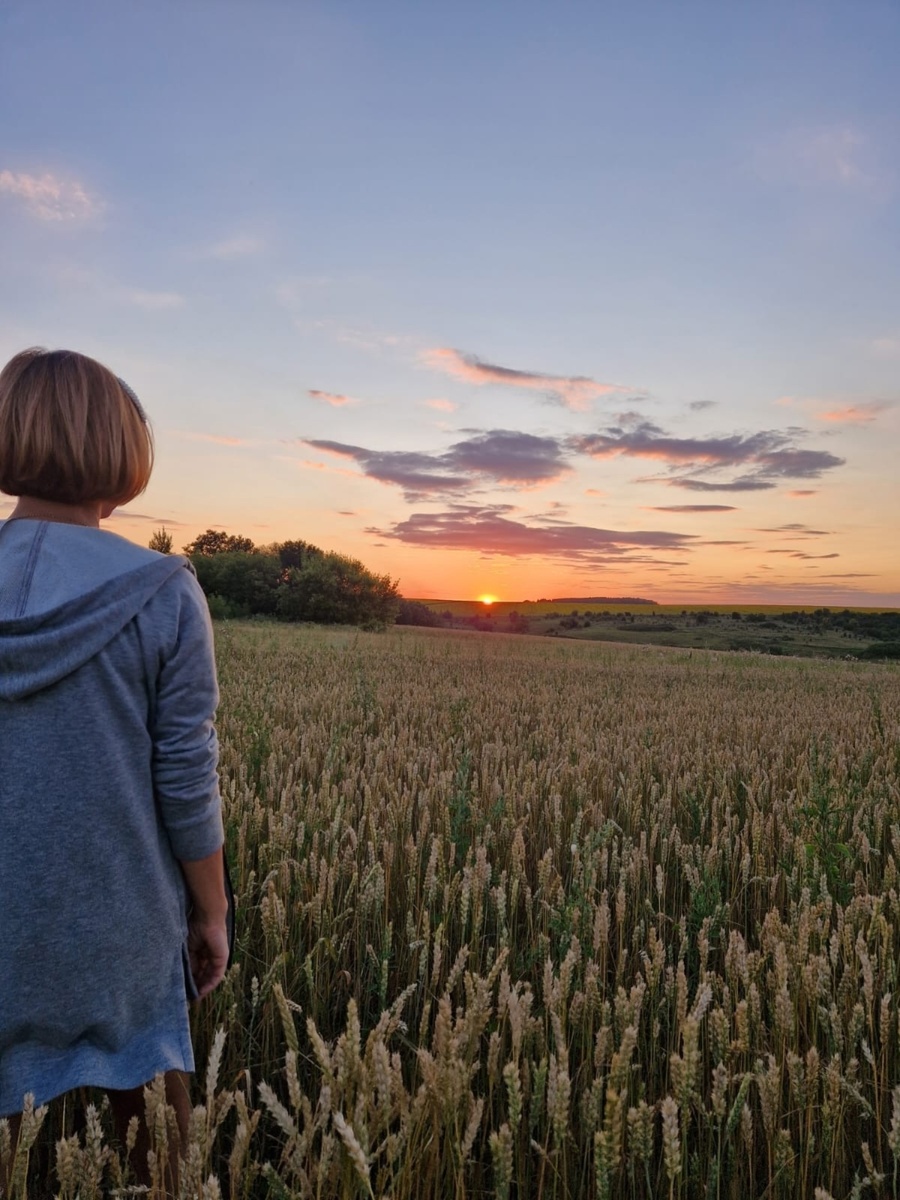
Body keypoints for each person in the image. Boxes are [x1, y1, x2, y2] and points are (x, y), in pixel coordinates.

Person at [0, 348, 230, 1192]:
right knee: (154, 1128)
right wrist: (212, 912)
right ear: (122, 452)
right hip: (118, 924)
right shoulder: (163, 591)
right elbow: (185, 780)